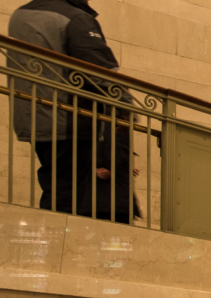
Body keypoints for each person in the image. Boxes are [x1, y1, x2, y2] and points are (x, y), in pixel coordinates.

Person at [10, 0, 137, 223]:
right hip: (69, 118)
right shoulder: (75, 18)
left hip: (33, 113)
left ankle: (51, 239)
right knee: (68, 193)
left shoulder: (21, 14)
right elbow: (101, 70)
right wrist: (126, 107)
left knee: (56, 184)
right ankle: (56, 244)